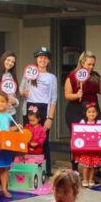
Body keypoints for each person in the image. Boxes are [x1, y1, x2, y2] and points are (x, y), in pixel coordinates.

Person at [20, 47, 58, 177]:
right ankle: (27, 165)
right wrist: (23, 93)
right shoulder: (28, 74)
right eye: (40, 57)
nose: (43, 59)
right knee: (27, 137)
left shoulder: (52, 77)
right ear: (36, 59)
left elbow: (53, 98)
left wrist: (50, 117)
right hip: (29, 107)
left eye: (45, 57)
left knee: (43, 140)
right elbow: (21, 91)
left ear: (48, 60)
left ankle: (46, 168)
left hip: (44, 109)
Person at [64, 50, 101, 129]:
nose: (91, 67)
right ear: (82, 63)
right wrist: (77, 95)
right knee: (78, 136)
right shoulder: (72, 76)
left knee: (96, 134)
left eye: (93, 64)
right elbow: (67, 95)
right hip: (76, 110)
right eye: (89, 64)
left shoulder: (96, 76)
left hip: (93, 110)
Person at [73, 103, 101, 187]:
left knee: (92, 166)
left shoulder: (99, 123)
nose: (91, 114)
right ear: (86, 113)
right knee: (86, 166)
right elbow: (78, 134)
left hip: (95, 149)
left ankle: (91, 179)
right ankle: (85, 179)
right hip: (86, 149)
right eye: (89, 112)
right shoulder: (83, 122)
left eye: (93, 112)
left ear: (97, 113)